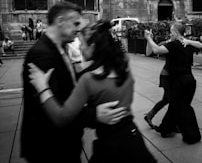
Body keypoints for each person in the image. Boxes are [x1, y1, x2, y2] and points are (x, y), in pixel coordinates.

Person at [28, 20, 157, 163]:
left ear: (93, 47)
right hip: (133, 139)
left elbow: (61, 117)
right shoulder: (123, 68)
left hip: (112, 147)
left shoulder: (89, 80)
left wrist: (42, 88)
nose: (81, 48)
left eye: (81, 44)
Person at [21, 1, 127, 163]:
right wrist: (94, 115)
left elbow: (69, 82)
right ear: (60, 21)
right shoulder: (42, 55)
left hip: (64, 142)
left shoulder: (60, 48)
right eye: (75, 23)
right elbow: (55, 105)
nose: (78, 29)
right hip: (50, 147)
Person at [144, 22, 202, 144]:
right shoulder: (185, 44)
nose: (170, 33)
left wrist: (149, 38)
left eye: (171, 31)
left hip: (180, 82)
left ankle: (191, 135)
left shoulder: (174, 45)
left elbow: (155, 50)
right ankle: (166, 128)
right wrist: (189, 41)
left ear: (175, 32)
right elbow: (201, 45)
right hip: (189, 81)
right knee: (177, 105)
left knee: (181, 108)